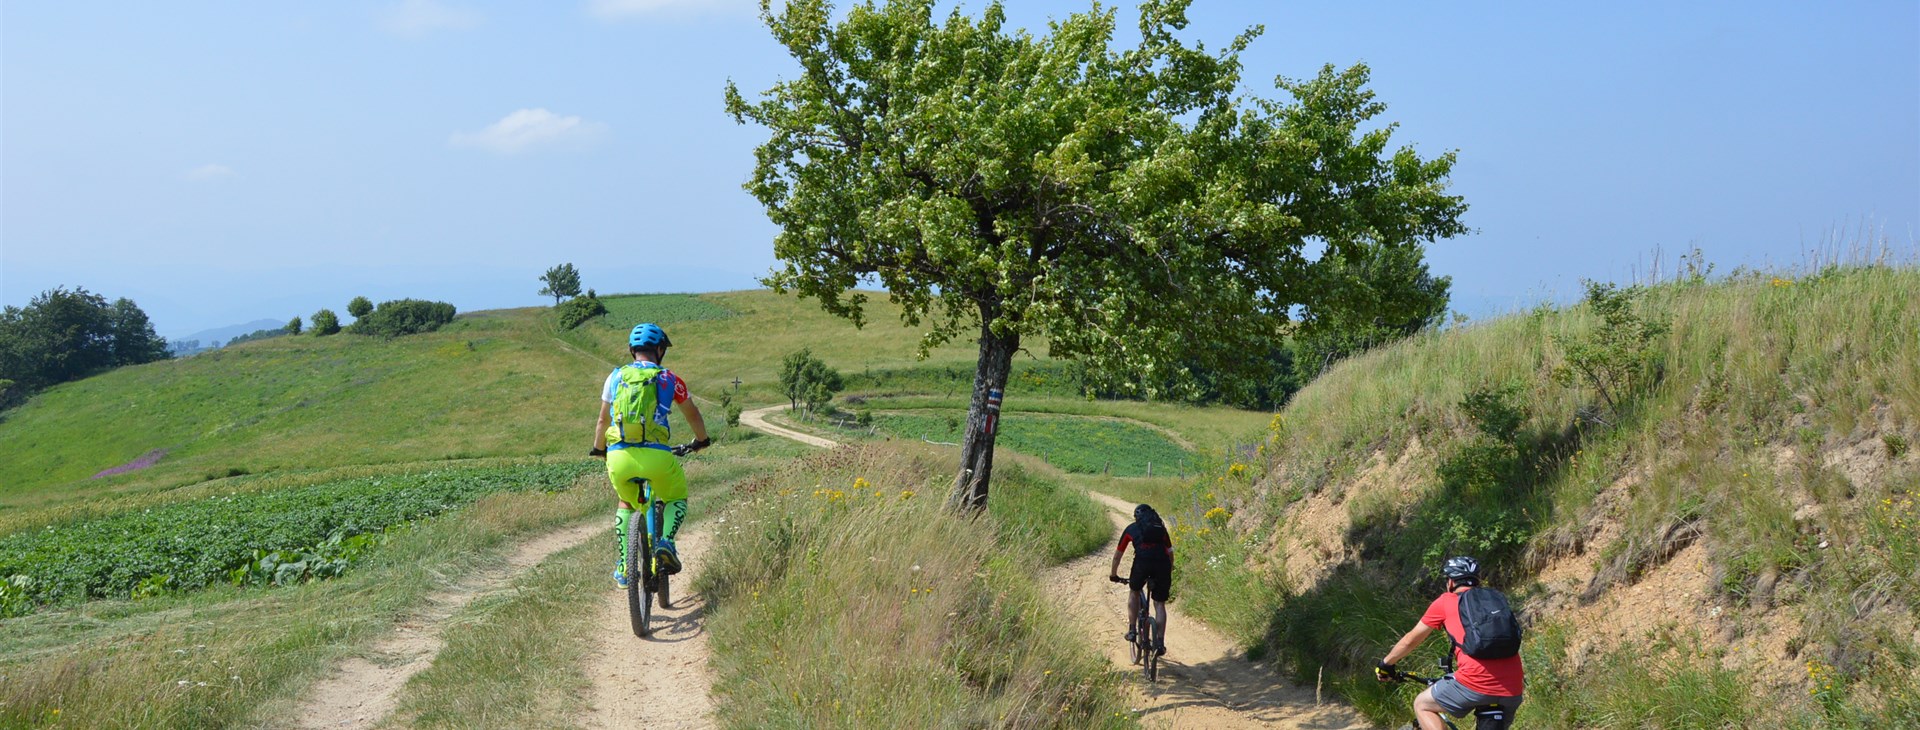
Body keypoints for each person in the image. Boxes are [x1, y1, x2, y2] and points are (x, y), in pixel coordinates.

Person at [589, 323, 709, 588]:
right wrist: (702, 440)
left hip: (619, 456)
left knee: (626, 502)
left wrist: (599, 450)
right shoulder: (670, 379)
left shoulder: (616, 377)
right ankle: (666, 542)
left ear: (633, 350)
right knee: (676, 497)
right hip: (657, 457)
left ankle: (623, 566)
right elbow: (693, 414)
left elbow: (601, 421)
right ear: (659, 349)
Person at [1377, 556, 1524, 730]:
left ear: (1451, 582)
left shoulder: (1446, 601)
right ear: (1477, 579)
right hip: (1513, 686)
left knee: (1422, 704)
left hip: (1474, 681)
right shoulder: (1494, 600)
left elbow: (1411, 640)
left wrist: (1386, 664)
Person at [1109, 503, 1174, 655]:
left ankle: (1132, 630)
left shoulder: (1131, 529)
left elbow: (1118, 555)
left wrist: (1114, 574)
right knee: (1159, 605)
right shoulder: (1161, 529)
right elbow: (1170, 553)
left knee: (1134, 592)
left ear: (1136, 517)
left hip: (1142, 564)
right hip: (1162, 565)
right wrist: (1169, 569)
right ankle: (1160, 643)